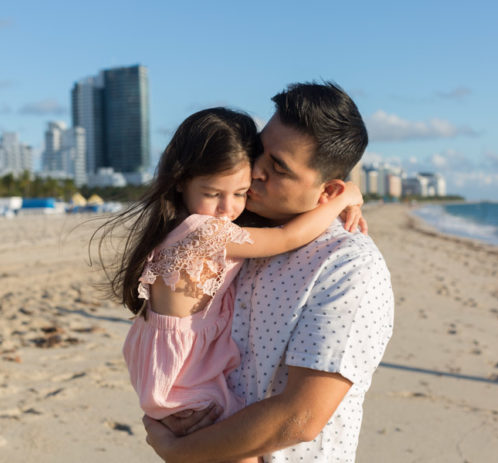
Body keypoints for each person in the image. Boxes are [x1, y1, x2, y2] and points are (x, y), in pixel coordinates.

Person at [143, 82, 394, 462]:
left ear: (328, 192)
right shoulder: (230, 223)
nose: (255, 171)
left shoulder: (348, 268)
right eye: (259, 151)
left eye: (277, 167)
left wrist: (179, 452)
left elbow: (300, 417)